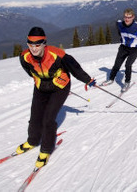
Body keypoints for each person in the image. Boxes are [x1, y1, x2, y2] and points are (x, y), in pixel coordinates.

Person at [17, 27, 96, 168]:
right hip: (41, 86)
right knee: (35, 116)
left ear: (44, 43)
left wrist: (88, 80)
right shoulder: (24, 57)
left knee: (48, 118)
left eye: (37, 44)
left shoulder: (57, 55)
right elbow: (30, 71)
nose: (34, 48)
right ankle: (33, 140)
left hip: (60, 86)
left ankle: (46, 150)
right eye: (30, 45)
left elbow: (74, 68)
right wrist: (42, 80)